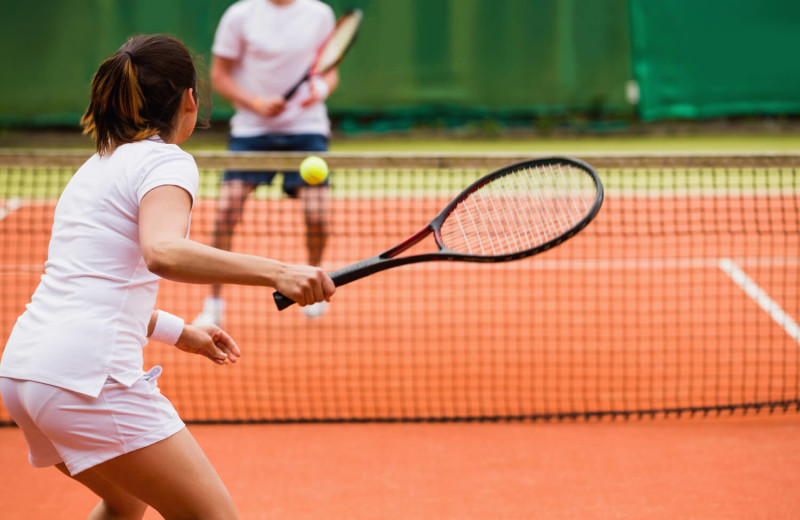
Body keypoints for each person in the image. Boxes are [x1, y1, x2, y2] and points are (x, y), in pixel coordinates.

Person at [0, 34, 334, 520]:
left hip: (25, 373)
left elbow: (93, 284)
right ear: (190, 100)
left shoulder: (96, 166)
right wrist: (279, 271)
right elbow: (163, 253)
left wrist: (178, 332)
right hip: (87, 380)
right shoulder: (166, 161)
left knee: (125, 502)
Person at [193, 0, 338, 325]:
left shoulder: (319, 13)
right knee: (226, 213)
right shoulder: (240, 15)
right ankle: (213, 303)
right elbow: (220, 76)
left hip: (307, 131)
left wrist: (321, 89)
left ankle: (314, 282)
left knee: (318, 217)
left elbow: (329, 70)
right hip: (252, 131)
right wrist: (255, 102)